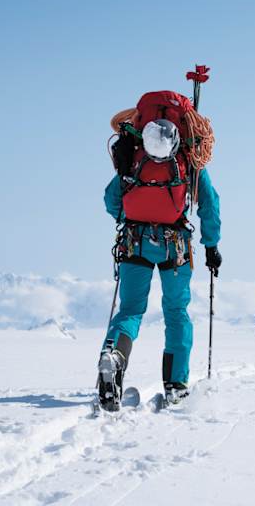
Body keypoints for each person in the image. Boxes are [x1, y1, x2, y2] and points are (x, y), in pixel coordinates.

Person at [97, 90, 221, 411]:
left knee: (130, 311)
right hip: (174, 249)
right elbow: (209, 204)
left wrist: (129, 222)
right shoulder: (189, 163)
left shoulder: (134, 159)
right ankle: (176, 386)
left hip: (134, 242)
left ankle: (114, 357)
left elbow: (112, 200)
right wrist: (211, 246)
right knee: (176, 313)